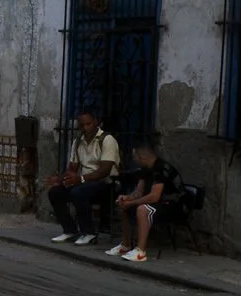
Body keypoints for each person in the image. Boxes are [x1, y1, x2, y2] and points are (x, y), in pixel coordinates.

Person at [47, 109, 120, 245]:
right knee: (55, 192)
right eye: (82, 125)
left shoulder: (107, 140)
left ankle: (89, 233)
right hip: (85, 183)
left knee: (78, 192)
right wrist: (61, 179)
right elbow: (72, 168)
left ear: (96, 122)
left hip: (106, 184)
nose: (85, 128)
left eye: (89, 124)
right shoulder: (78, 142)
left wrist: (80, 179)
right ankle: (70, 230)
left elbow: (104, 171)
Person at [108, 133, 183, 264]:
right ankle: (125, 245)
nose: (133, 158)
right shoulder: (145, 169)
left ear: (141, 156)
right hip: (158, 202)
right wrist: (127, 198)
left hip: (172, 204)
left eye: (134, 155)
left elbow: (154, 197)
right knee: (124, 204)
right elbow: (139, 192)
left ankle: (140, 251)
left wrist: (132, 203)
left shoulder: (161, 169)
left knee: (143, 209)